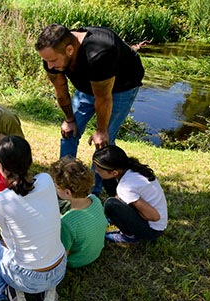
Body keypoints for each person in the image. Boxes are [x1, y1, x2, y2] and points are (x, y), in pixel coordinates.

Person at [35, 24, 145, 195]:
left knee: (103, 142)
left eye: (53, 61)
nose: (49, 66)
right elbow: (61, 89)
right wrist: (69, 120)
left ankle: (91, 191)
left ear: (69, 50)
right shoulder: (53, 53)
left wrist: (101, 130)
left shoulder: (99, 52)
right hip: (89, 84)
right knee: (68, 132)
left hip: (122, 86)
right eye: (46, 60)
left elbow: (103, 98)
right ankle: (64, 184)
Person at [0, 136, 66, 301]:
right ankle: (49, 289)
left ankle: (15, 291)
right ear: (29, 161)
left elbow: (9, 243)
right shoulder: (47, 180)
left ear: (2, 167)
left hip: (27, 277)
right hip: (60, 266)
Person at [92, 145, 167, 243]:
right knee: (107, 180)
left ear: (114, 172)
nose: (95, 171)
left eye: (99, 169)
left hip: (152, 230)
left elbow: (154, 216)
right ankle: (120, 218)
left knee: (111, 204)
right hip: (154, 222)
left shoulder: (125, 188)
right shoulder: (129, 168)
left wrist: (126, 210)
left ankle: (129, 236)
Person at [49, 157, 107, 268]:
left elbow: (62, 256)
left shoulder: (66, 223)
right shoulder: (95, 201)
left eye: (56, 187)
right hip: (93, 253)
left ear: (67, 192)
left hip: (76, 261)